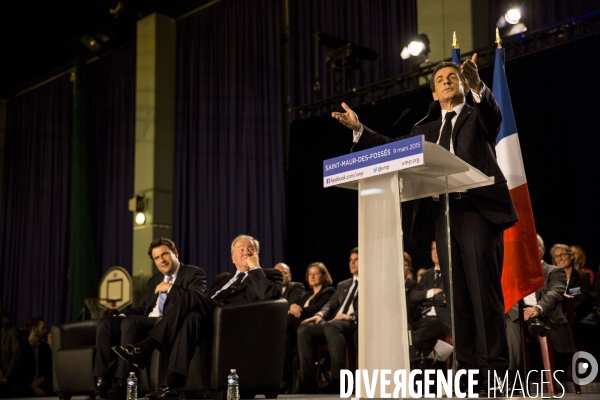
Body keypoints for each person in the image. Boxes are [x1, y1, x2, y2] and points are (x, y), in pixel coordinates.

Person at [332, 55, 518, 390]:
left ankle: (496, 373)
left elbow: (494, 115)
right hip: (443, 216)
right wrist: (360, 130)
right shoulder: (425, 129)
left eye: (452, 77)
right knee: (458, 299)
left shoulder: (478, 116)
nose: (447, 81)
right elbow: (392, 149)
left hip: (477, 212)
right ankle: (471, 372)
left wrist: (477, 83)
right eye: (441, 80)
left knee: (483, 296)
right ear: (433, 94)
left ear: (461, 85)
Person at [113, 235, 282, 399]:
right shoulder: (222, 279)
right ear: (233, 257)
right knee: (191, 317)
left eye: (250, 249)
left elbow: (268, 296)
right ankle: (171, 385)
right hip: (208, 317)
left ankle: (146, 347)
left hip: (230, 320)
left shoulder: (270, 274)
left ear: (257, 254)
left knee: (192, 295)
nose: (246, 252)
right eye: (241, 249)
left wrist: (255, 269)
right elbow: (207, 298)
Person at [90, 238, 207, 400]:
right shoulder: (153, 281)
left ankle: (123, 383)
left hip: (166, 323)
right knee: (106, 324)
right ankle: (102, 383)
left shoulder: (193, 273)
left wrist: (171, 288)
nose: (161, 260)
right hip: (145, 322)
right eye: (157, 258)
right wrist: (123, 314)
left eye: (165, 254)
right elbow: (142, 307)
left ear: (175, 253)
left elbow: (196, 298)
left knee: (131, 323)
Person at [505, 235, 575, 380]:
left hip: (545, 317)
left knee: (512, 322)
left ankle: (511, 376)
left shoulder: (555, 271)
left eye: (535, 245)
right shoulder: (515, 274)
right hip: (520, 316)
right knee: (510, 313)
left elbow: (555, 293)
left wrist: (537, 308)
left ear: (542, 250)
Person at [297, 248, 359, 394]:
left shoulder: (371, 284)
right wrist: (319, 315)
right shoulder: (343, 284)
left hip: (353, 323)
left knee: (332, 325)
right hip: (335, 323)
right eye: (350, 260)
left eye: (356, 260)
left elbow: (373, 306)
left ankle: (338, 381)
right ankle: (309, 382)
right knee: (305, 329)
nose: (352, 263)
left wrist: (351, 316)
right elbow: (330, 305)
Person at [282, 262, 335, 392]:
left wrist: (297, 309)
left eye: (316, 273)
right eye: (310, 274)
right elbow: (296, 308)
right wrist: (293, 306)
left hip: (316, 328)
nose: (312, 276)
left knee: (286, 323)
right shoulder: (305, 295)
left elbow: (315, 309)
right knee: (284, 338)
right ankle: (285, 382)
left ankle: (308, 383)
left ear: (324, 276)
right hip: (297, 329)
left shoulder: (328, 292)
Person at [408, 242, 451, 355]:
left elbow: (447, 298)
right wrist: (432, 292)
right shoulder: (426, 275)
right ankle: (418, 365)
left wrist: (426, 299)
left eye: (438, 249)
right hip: (423, 317)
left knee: (416, 338)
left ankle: (415, 365)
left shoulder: (450, 273)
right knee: (406, 329)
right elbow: (413, 296)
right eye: (433, 249)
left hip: (440, 319)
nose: (435, 252)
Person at [550, 243, 592, 326]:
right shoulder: (552, 278)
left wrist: (568, 310)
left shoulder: (582, 277)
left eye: (563, 254)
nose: (560, 258)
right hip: (555, 318)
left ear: (571, 256)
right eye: (556, 256)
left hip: (576, 317)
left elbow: (584, 298)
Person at [1, 308, 22, 398]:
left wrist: (6, 377)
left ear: (5, 319)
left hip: (8, 380)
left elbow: (16, 356)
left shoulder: (12, 332)